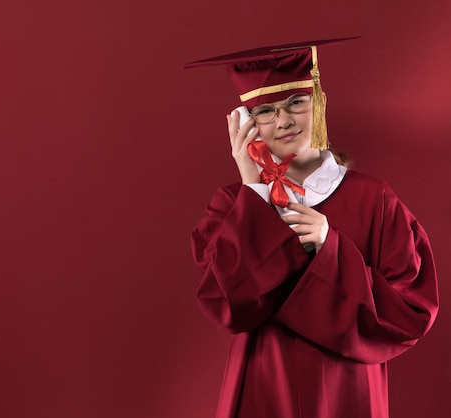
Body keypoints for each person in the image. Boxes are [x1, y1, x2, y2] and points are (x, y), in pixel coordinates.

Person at [184, 38, 439, 418]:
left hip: (348, 389)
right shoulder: (233, 205)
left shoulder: (374, 199)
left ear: (318, 102)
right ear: (246, 125)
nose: (284, 120)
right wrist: (253, 189)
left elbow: (409, 313)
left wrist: (330, 247)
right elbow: (228, 305)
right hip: (262, 381)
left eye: (296, 102)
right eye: (265, 110)